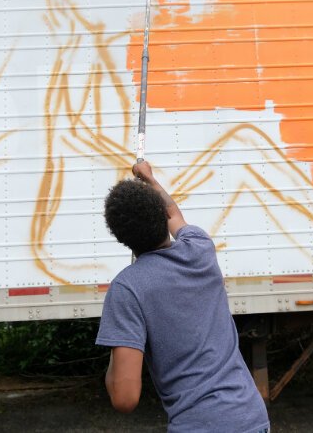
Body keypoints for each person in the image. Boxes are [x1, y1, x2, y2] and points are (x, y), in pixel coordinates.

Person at [96, 161, 270, 433]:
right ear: (160, 217)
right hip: (252, 420)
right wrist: (150, 179)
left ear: (120, 238)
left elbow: (124, 399)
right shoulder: (199, 249)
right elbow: (173, 212)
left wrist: (120, 341)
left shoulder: (127, 288)